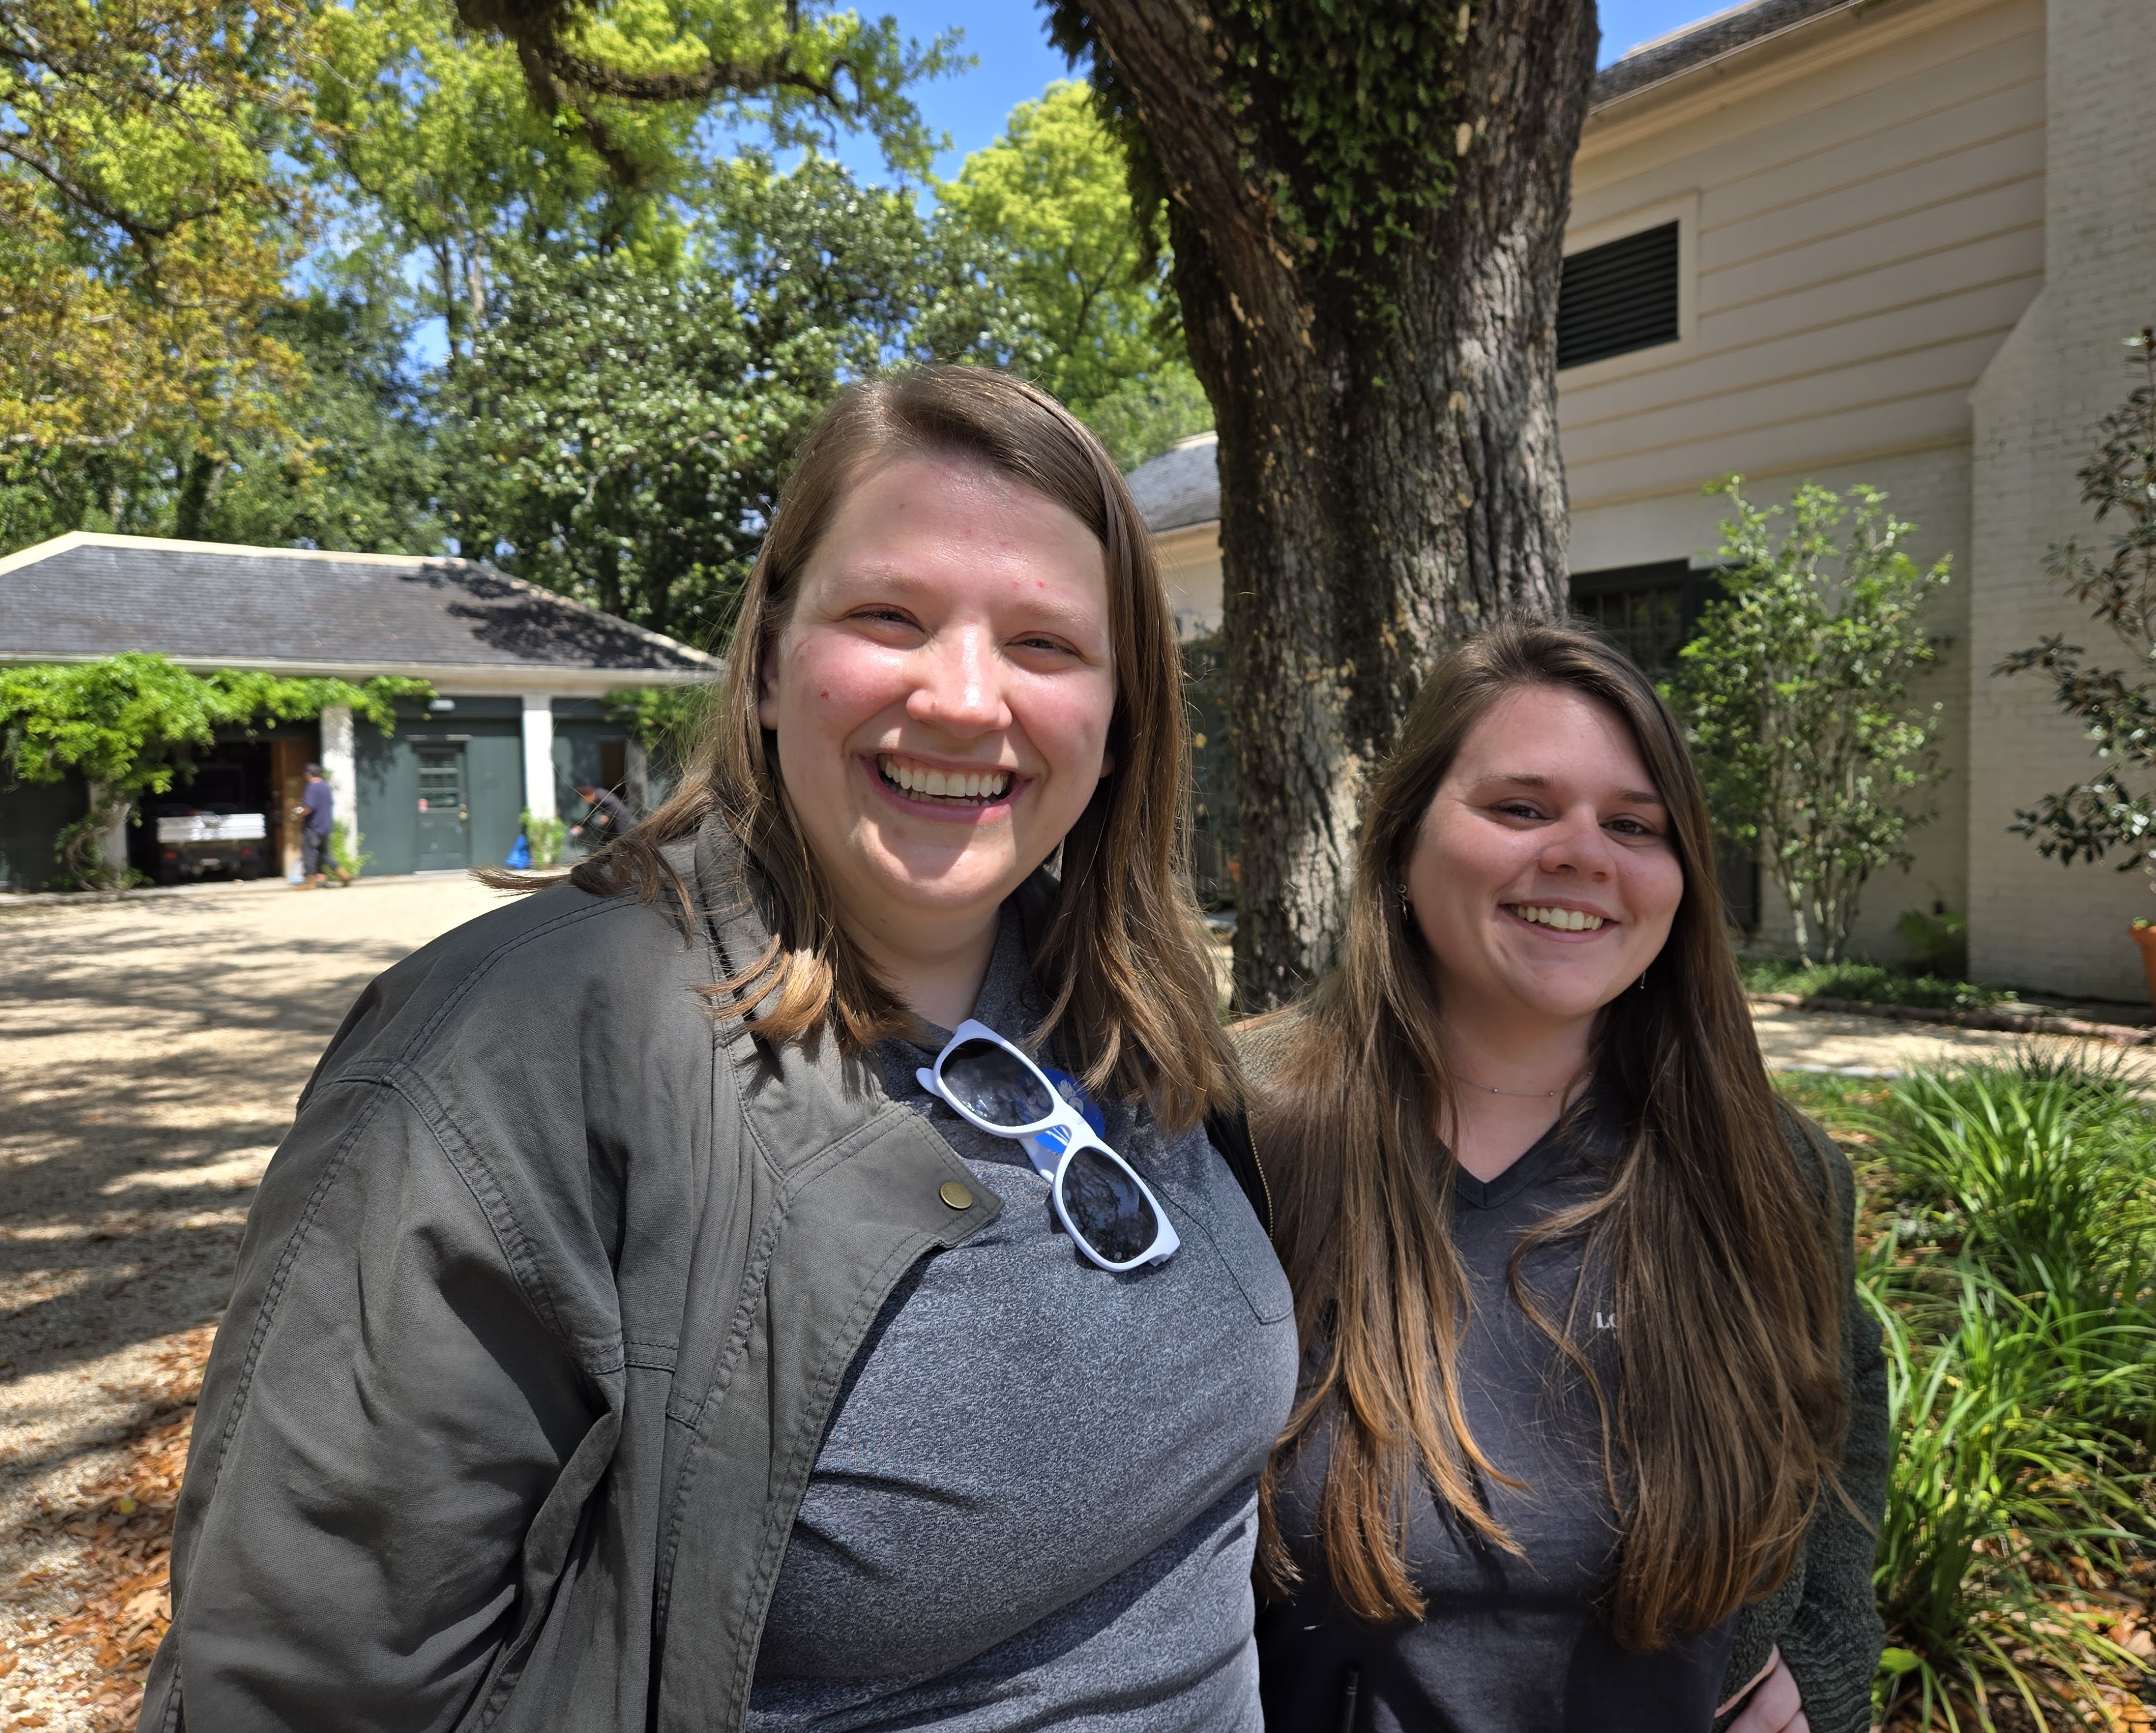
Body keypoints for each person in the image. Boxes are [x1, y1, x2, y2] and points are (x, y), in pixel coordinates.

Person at [140, 368, 1296, 1732]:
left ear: (1116, 718)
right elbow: (292, 1692)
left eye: (1046, 644)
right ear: (763, 662)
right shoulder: (509, 1058)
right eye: (889, 616)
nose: (967, 697)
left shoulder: (1125, 1004)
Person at [1241, 622, 1888, 1733]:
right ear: (1401, 844)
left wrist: (1822, 1656)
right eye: (1522, 809)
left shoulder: (1765, 1168)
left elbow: (1843, 1424)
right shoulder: (1240, 1126)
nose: (1585, 854)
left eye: (1635, 825)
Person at [293, 760, 338, 887]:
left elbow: (309, 807)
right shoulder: (326, 786)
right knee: (324, 854)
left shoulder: (312, 787)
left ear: (308, 774)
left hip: (313, 827)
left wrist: (299, 811)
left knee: (307, 852)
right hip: (325, 826)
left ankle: (309, 881)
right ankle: (343, 875)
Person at [569, 779, 636, 849]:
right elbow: (591, 815)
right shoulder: (595, 801)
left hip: (620, 818)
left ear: (589, 795)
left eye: (584, 799)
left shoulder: (601, 795)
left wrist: (607, 815)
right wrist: (582, 826)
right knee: (608, 842)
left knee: (621, 840)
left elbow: (615, 806)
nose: (585, 802)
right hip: (612, 822)